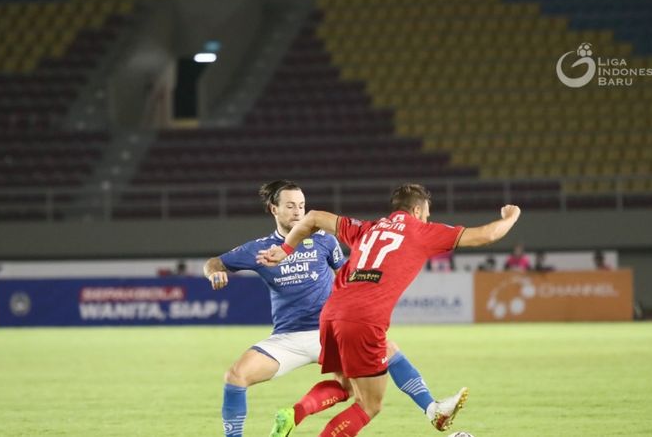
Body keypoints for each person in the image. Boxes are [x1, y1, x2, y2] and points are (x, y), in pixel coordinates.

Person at [203, 180, 464, 437]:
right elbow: (215, 262)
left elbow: (349, 277)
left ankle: (431, 407)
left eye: (302, 206)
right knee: (235, 377)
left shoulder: (324, 241)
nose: (298, 212)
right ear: (274, 209)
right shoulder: (259, 248)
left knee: (379, 361)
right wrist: (215, 273)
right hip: (287, 337)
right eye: (291, 206)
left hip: (330, 332)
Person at [258, 183, 521, 437]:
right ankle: (433, 410)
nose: (427, 220)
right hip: (363, 319)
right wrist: (511, 217)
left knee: (357, 376)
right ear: (417, 211)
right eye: (426, 215)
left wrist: (284, 250)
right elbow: (487, 235)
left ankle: (431, 409)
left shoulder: (367, 228)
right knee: (369, 405)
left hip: (332, 313)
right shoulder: (420, 231)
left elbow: (313, 216)